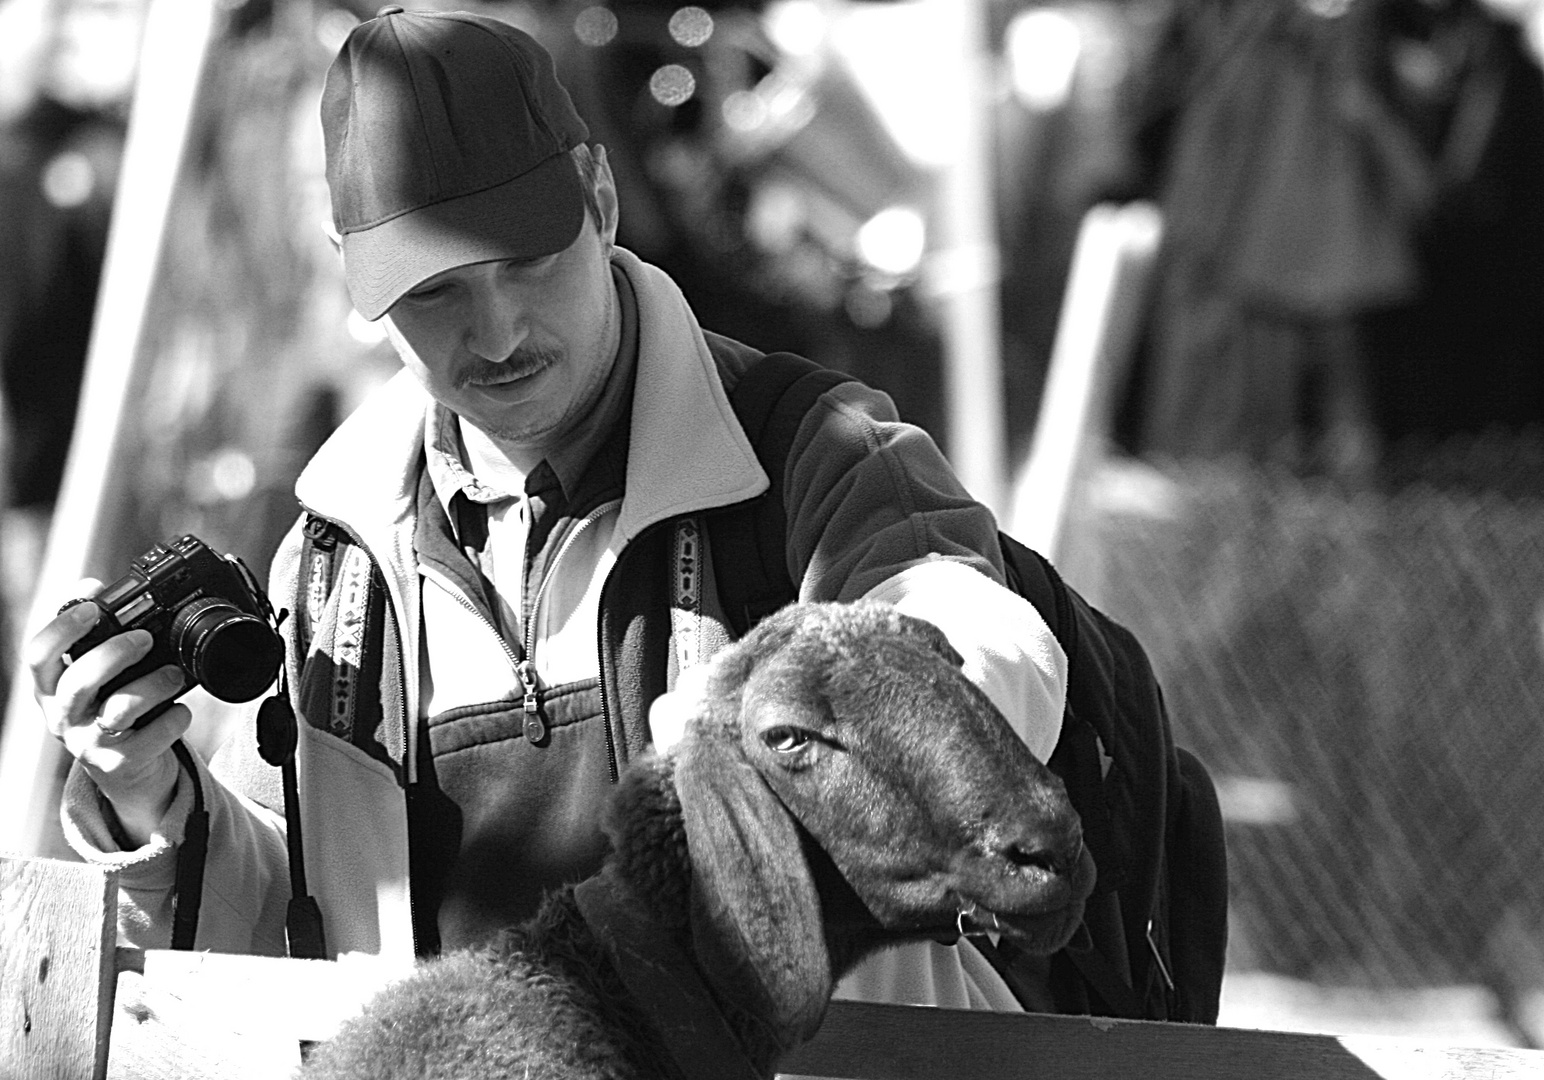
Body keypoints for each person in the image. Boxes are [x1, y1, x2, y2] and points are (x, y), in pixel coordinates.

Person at [29, 8, 1067, 1013]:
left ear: (601, 200)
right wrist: (145, 797)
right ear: (352, 281)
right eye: (433, 291)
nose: (495, 332)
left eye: (526, 259)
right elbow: (283, 937)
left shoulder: (817, 455)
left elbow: (988, 657)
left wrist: (836, 709)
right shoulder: (333, 556)